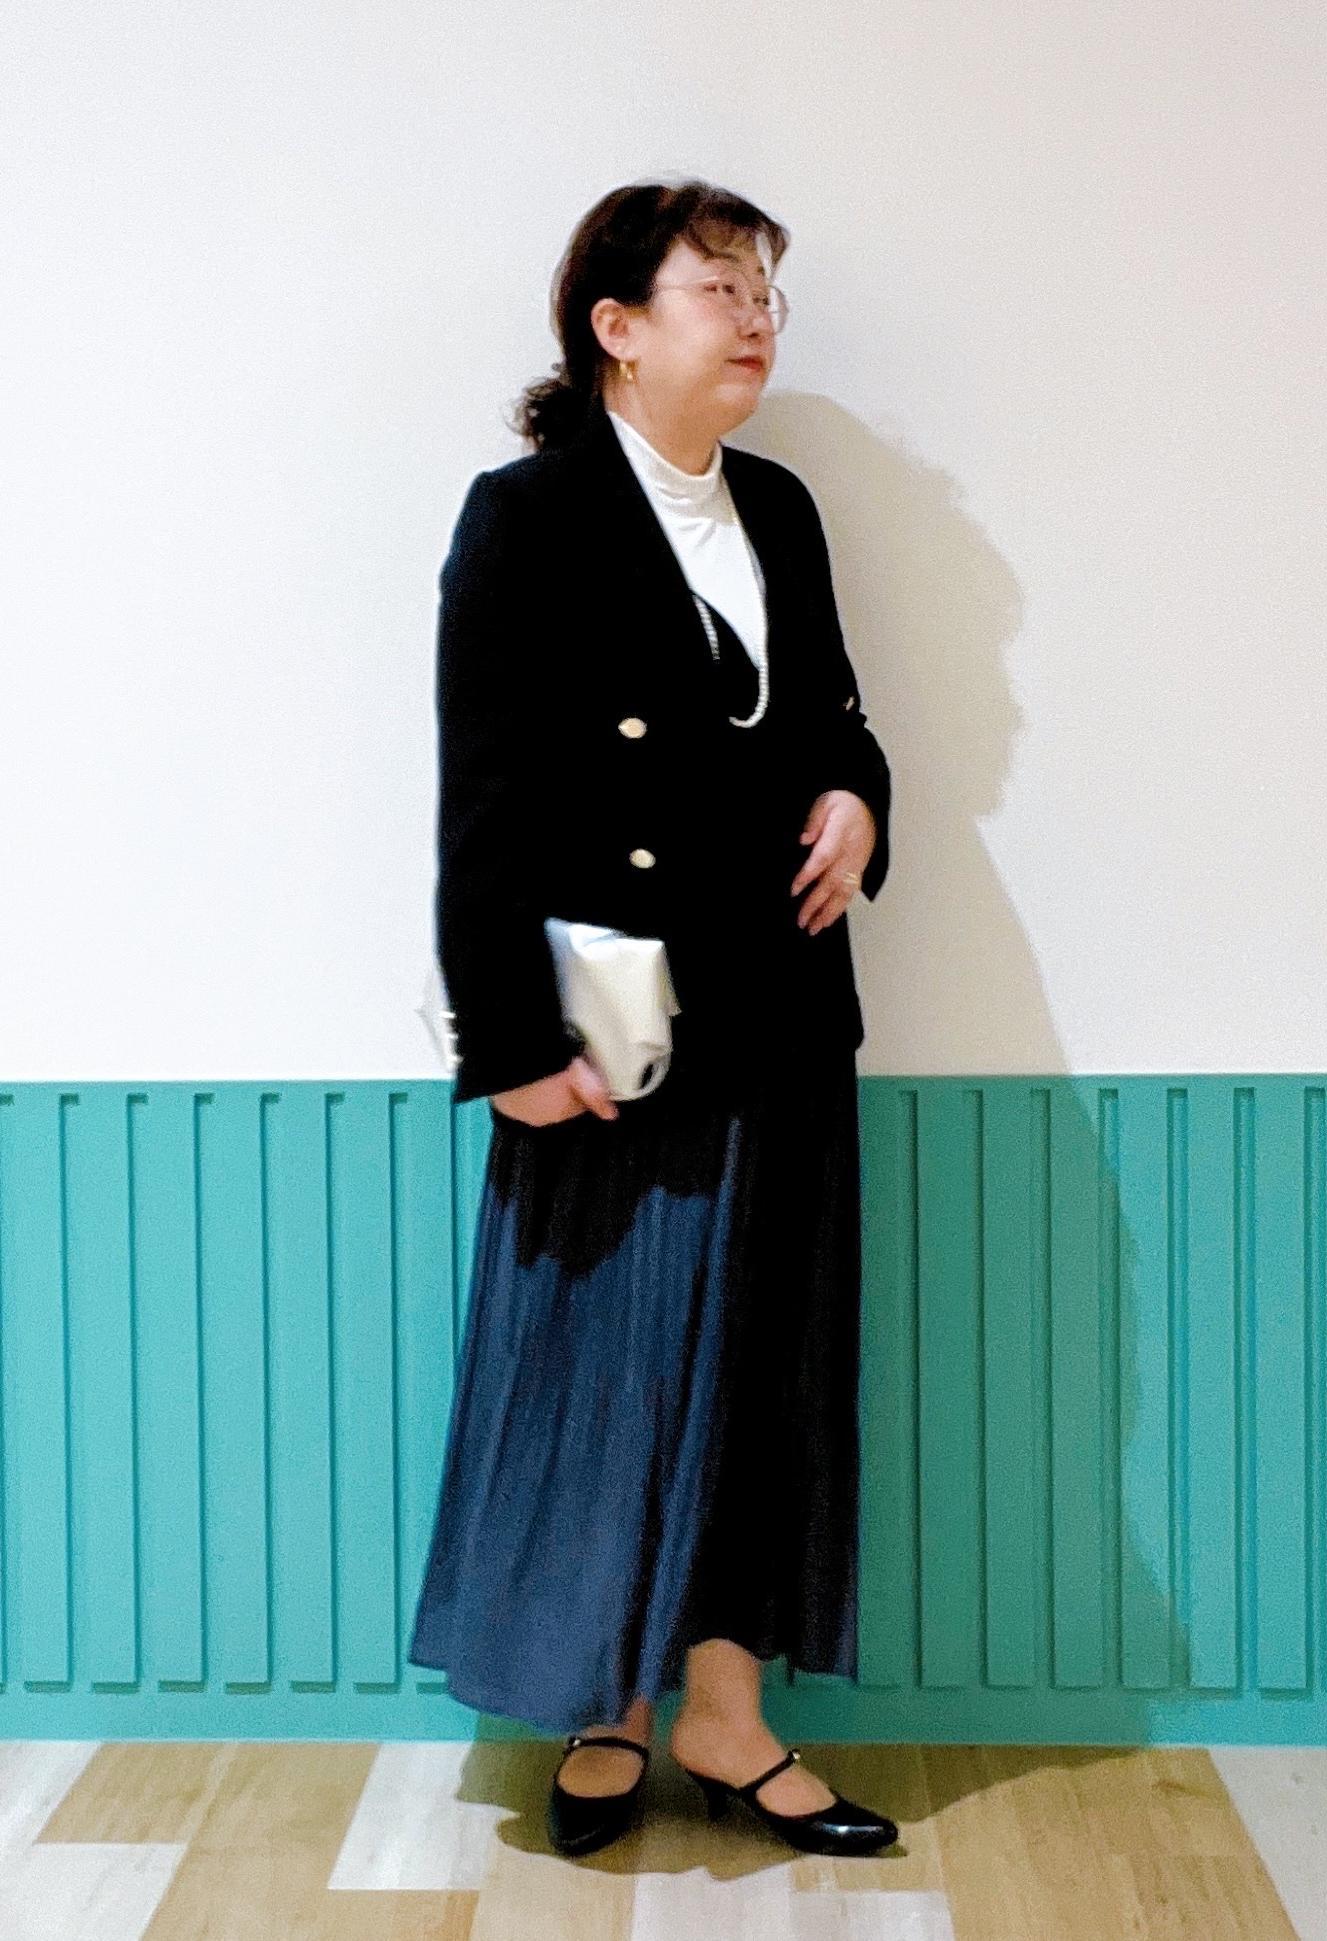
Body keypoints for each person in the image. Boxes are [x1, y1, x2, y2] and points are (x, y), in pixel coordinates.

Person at [407, 177, 898, 1861]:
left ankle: (727, 1716)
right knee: (608, 1377)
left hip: (785, 1005)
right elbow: (479, 799)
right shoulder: (527, 514)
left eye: (764, 289)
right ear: (614, 327)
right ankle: (603, 1706)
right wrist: (506, 1052)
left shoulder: (779, 506)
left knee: (765, 1369)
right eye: (716, 286)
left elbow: (834, 712)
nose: (753, 316)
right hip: (610, 1028)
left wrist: (858, 794)